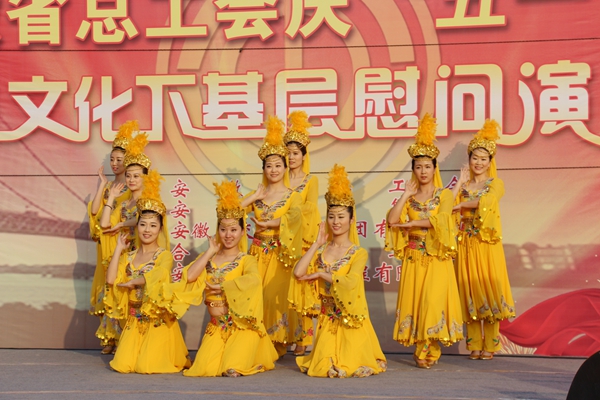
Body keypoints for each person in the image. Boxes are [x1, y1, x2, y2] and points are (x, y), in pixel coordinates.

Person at [165, 180, 278, 377]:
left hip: (242, 328)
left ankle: (248, 356)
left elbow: (253, 280)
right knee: (203, 370)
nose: (228, 235)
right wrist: (209, 252)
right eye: (223, 229)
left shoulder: (246, 260)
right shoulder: (210, 258)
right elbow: (189, 277)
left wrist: (224, 287)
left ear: (242, 232)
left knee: (231, 368)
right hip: (216, 328)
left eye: (233, 230)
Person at [385, 113, 464, 369]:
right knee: (417, 301)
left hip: (436, 257)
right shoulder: (409, 197)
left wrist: (413, 224)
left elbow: (442, 221)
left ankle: (429, 348)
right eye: (418, 167)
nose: (423, 171)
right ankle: (423, 347)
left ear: (434, 168)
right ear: (413, 170)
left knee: (432, 300)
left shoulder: (444, 195)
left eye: (427, 166)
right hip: (414, 257)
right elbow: (392, 220)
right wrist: (403, 196)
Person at [293, 164, 387, 378]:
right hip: (327, 320)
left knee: (349, 366)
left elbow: (351, 282)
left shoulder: (357, 253)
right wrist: (316, 244)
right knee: (324, 367)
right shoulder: (321, 250)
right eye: (332, 216)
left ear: (351, 220)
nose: (336, 222)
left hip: (350, 319)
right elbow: (298, 273)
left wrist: (321, 274)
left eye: (341, 216)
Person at [104, 170, 190, 374]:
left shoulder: (164, 256)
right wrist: (118, 249)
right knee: (122, 365)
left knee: (146, 366)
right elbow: (111, 279)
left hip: (156, 321)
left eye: (153, 225)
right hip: (134, 322)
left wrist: (134, 282)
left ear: (160, 229)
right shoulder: (129, 256)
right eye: (143, 224)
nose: (147, 230)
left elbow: (159, 275)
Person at [452, 119, 515, 360]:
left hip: (486, 243)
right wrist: (459, 184)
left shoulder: (495, 184)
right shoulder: (464, 185)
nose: (478, 163)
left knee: (488, 289)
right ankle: (474, 344)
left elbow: (488, 202)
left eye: (483, 159)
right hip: (465, 243)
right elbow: (447, 206)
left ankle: (491, 345)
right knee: (469, 289)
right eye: (475, 158)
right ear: (469, 160)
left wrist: (463, 205)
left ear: (490, 162)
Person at [241, 116, 303, 357]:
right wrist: (253, 198)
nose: (274, 170)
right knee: (255, 295)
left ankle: (276, 340)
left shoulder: (292, 195)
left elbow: (294, 219)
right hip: (256, 253)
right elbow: (229, 212)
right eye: (269, 166)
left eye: (278, 165)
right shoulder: (257, 194)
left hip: (279, 255)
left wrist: (269, 223)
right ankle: (257, 341)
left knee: (272, 296)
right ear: (263, 169)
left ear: (286, 168)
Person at [87, 121, 134, 354]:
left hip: (121, 244)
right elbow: (95, 212)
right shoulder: (110, 187)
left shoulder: (133, 187)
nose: (115, 164)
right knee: (106, 287)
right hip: (105, 243)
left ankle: (124, 336)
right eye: (112, 160)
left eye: (120, 160)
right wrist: (103, 186)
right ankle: (109, 337)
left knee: (119, 287)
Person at [283, 111, 320, 356]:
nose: (291, 157)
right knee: (281, 289)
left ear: (304, 155)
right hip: (281, 239)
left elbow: (310, 208)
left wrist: (288, 211)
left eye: (296, 153)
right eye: (288, 153)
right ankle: (281, 335)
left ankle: (303, 338)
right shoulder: (278, 177)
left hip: (302, 238)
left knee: (301, 288)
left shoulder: (310, 180)